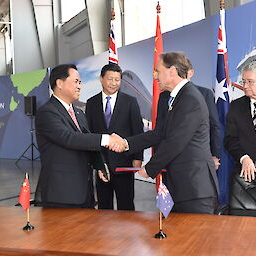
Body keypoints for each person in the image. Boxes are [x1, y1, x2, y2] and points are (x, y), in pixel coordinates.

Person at [123, 52, 219, 214]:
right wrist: (127, 143)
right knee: (172, 235)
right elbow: (160, 133)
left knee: (195, 239)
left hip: (193, 190)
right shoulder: (175, 98)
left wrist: (150, 168)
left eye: (158, 71)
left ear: (172, 71)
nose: (155, 76)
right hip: (177, 186)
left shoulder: (190, 98)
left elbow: (176, 141)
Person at [34, 64, 125, 208]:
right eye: (76, 82)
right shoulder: (47, 112)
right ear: (59, 83)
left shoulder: (79, 113)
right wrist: (107, 139)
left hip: (85, 193)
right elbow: (69, 138)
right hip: (61, 194)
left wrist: (99, 165)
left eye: (80, 83)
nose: (79, 87)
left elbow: (84, 142)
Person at [85, 63, 144, 210]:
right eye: (110, 79)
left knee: (126, 203)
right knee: (104, 205)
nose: (114, 83)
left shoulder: (130, 102)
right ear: (101, 79)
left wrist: (138, 158)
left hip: (124, 162)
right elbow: (89, 133)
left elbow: (138, 132)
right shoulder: (91, 103)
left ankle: (127, 233)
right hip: (101, 164)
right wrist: (94, 161)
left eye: (117, 80)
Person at [156, 60, 221, 170]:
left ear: (191, 73)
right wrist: (158, 158)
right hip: (170, 158)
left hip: (196, 160)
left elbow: (214, 126)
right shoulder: (164, 96)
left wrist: (214, 155)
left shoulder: (205, 94)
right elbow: (160, 129)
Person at [224, 60, 256, 216]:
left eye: (250, 82)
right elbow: (230, 139)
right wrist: (244, 158)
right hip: (244, 182)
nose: (245, 86)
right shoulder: (236, 106)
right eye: (244, 82)